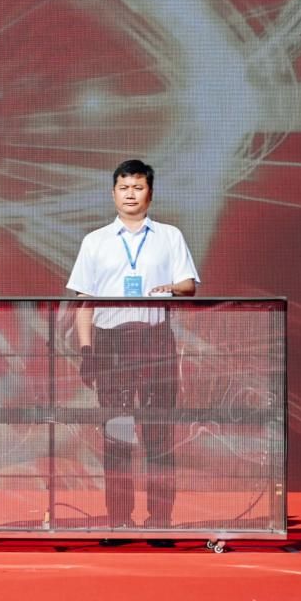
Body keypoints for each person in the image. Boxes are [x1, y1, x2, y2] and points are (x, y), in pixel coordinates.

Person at [66, 159, 199, 540]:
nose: (130, 195)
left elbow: (188, 284)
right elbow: (84, 303)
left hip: (155, 341)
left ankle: (160, 520)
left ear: (149, 193)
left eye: (137, 188)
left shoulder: (169, 236)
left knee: (158, 435)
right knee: (118, 436)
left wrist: (172, 288)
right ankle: (120, 519)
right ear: (113, 194)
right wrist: (87, 351)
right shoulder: (95, 241)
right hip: (111, 344)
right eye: (124, 188)